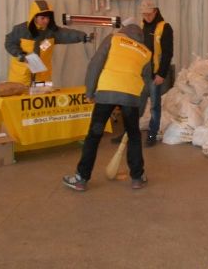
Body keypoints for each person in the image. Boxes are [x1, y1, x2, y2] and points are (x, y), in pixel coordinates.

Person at [63, 18, 152, 191]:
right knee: (134, 136)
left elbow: (95, 64)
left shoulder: (113, 39)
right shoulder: (146, 52)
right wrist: (139, 110)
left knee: (94, 135)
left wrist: (89, 91)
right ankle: (137, 178)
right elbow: (146, 84)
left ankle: (81, 179)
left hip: (106, 92)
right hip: (130, 97)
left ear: (124, 30)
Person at [4, 0, 93, 86]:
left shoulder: (52, 32)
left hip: (43, 77)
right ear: (34, 17)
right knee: (18, 96)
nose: (46, 21)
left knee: (44, 96)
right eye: (42, 18)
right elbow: (9, 43)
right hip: (20, 77)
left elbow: (68, 34)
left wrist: (84, 37)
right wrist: (20, 55)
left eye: (48, 18)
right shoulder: (20, 30)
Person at [139, 0, 174, 147]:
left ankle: (152, 133)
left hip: (155, 73)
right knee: (136, 103)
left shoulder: (164, 27)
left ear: (155, 11)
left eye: (149, 14)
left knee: (154, 105)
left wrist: (161, 74)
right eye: (144, 15)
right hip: (141, 73)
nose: (147, 17)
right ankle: (129, 132)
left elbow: (167, 53)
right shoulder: (141, 27)